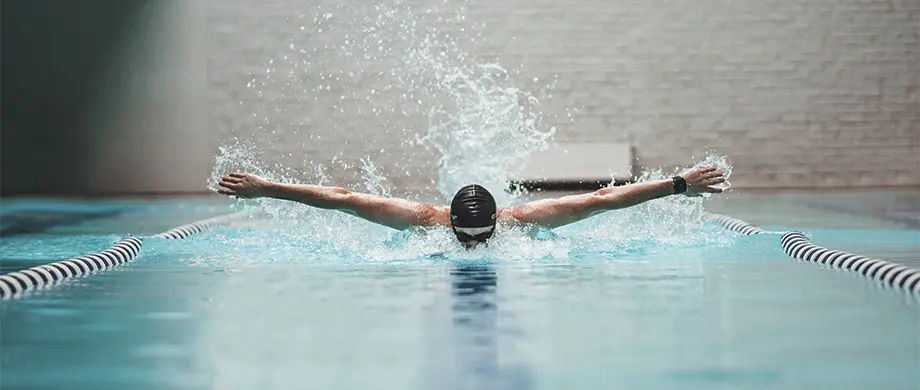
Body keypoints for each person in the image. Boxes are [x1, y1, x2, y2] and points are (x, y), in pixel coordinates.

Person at [217, 167, 725, 249]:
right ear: (451, 222)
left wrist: (679, 184)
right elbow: (346, 200)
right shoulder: (421, 220)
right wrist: (265, 188)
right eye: (467, 238)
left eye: (479, 238)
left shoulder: (523, 222)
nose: (474, 245)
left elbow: (601, 200)